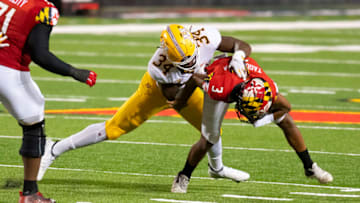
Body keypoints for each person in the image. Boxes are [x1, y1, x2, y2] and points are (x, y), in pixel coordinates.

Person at [37, 24, 252, 184]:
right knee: (114, 128)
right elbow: (176, 99)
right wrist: (204, 82)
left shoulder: (205, 37)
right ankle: (54, 149)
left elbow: (240, 44)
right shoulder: (158, 67)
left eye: (191, 58)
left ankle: (217, 168)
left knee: (212, 130)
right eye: (183, 63)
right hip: (158, 91)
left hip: (189, 86)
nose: (191, 64)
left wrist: (238, 57)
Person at [170, 56, 333, 193]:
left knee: (286, 119)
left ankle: (309, 166)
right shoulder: (218, 88)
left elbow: (287, 106)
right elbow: (194, 77)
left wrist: (263, 119)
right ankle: (183, 176)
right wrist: (181, 100)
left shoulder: (268, 87)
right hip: (220, 79)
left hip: (243, 79)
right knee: (209, 138)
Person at [0, 0, 97, 202]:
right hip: (7, 69)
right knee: (33, 120)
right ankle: (30, 194)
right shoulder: (43, 8)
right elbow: (40, 54)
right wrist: (74, 72)